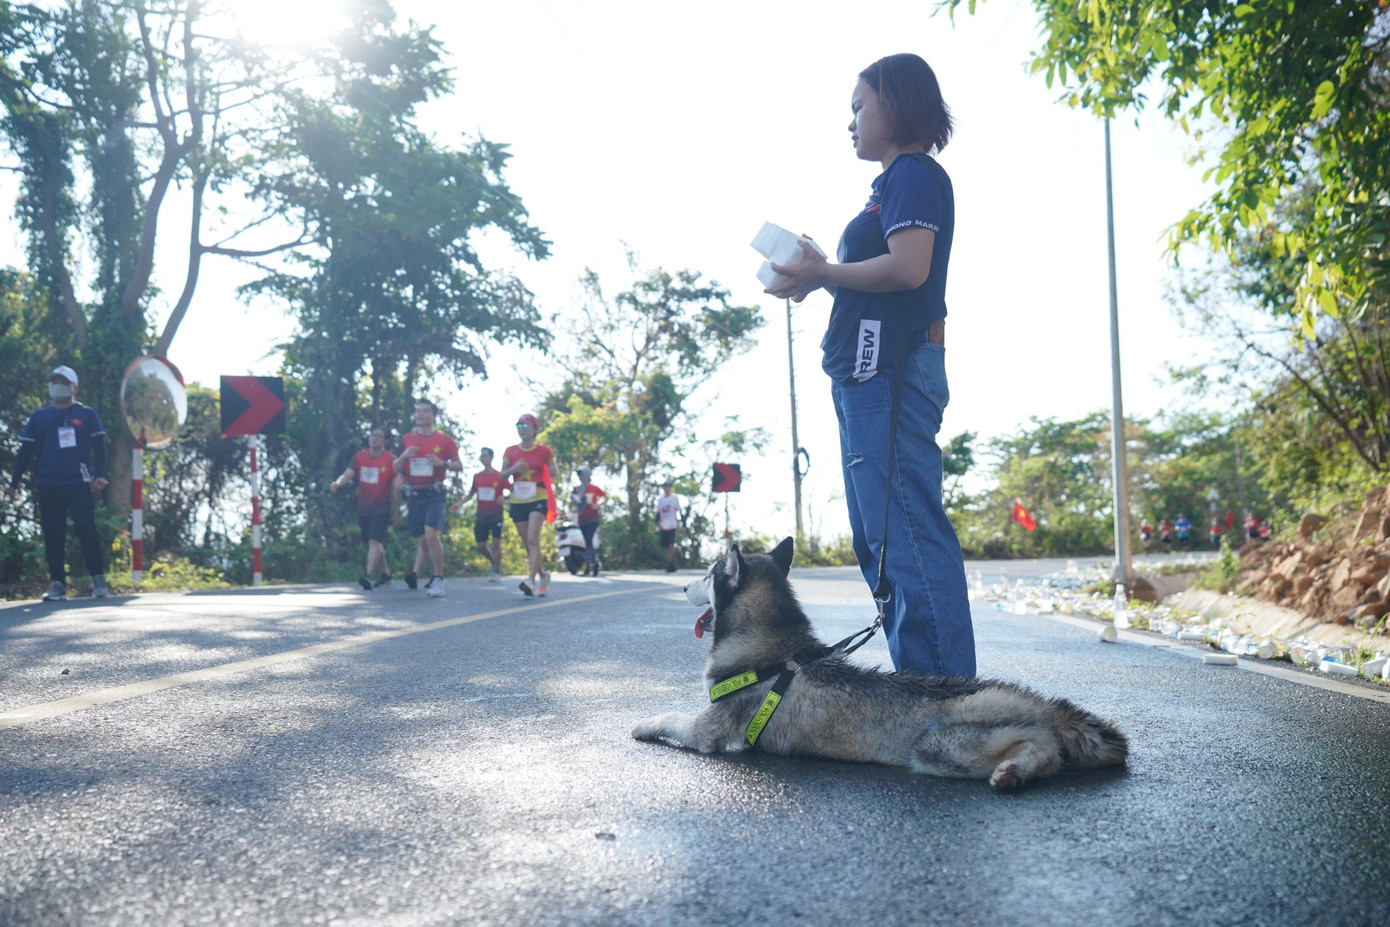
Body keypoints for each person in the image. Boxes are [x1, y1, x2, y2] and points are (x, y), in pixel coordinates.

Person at [762, 53, 974, 676]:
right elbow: (885, 278)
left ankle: (944, 699)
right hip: (869, 375)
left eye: (858, 106)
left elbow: (908, 269)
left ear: (895, 103)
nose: (850, 121)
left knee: (905, 532)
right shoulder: (890, 187)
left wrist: (826, 270)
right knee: (882, 541)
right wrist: (819, 274)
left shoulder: (913, 173)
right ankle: (925, 688)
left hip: (893, 374)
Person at [7, 366, 110, 601]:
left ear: (75, 388)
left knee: (86, 529)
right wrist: (14, 482)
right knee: (53, 533)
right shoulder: (39, 417)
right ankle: (57, 583)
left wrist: (100, 475)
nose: (58, 386)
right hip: (48, 483)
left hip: (80, 483)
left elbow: (100, 448)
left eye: (64, 382)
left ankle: (98, 579)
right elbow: (25, 451)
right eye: (55, 381)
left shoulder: (87, 415)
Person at [393, 400, 460, 597]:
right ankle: (435, 575)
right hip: (415, 494)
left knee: (431, 535)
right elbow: (395, 468)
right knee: (422, 541)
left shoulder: (445, 440)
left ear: (434, 415)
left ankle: (438, 578)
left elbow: (459, 465)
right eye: (418, 411)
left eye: (425, 411)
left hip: (435, 493)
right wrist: (404, 456)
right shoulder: (406, 439)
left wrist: (442, 463)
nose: (421, 414)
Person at [329, 426, 395, 590]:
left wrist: (396, 509)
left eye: (379, 436)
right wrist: (338, 483)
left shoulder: (390, 460)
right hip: (364, 507)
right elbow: (347, 474)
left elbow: (396, 485)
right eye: (373, 435)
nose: (374, 439)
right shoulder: (360, 456)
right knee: (374, 543)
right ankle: (386, 574)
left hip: (382, 506)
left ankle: (367, 575)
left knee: (374, 541)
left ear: (385, 441)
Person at [500, 413, 555, 597]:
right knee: (528, 544)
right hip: (518, 499)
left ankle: (530, 581)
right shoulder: (510, 451)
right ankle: (543, 575)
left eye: (525, 426)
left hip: (538, 497)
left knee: (532, 539)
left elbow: (553, 470)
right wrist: (514, 469)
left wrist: (552, 470)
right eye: (519, 426)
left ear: (535, 429)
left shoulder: (544, 451)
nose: (522, 430)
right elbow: (501, 476)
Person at [452, 447, 509, 582]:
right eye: (481, 455)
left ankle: (496, 571)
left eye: (485, 455)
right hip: (482, 515)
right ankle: (493, 561)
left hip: (496, 515)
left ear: (491, 457)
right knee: (481, 546)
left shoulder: (499, 476)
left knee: (496, 542)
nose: (483, 458)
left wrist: (505, 498)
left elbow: (513, 490)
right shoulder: (477, 477)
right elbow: (471, 494)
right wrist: (459, 503)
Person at [569, 466, 606, 576]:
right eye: (579, 475)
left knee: (588, 539)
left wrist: (598, 504)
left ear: (588, 476)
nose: (581, 477)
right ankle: (593, 564)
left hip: (593, 518)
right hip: (582, 518)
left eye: (582, 475)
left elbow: (604, 497)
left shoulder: (594, 488)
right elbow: (572, 503)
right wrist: (577, 497)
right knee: (587, 542)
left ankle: (589, 566)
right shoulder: (576, 489)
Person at [656, 481, 682, 573]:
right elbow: (658, 513)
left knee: (671, 544)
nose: (666, 488)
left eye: (668, 486)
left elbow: (679, 510)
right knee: (666, 546)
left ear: (670, 487)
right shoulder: (660, 500)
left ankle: (672, 562)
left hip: (672, 524)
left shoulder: (674, 498)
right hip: (663, 525)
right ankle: (670, 562)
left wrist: (683, 525)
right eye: (665, 486)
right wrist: (655, 524)